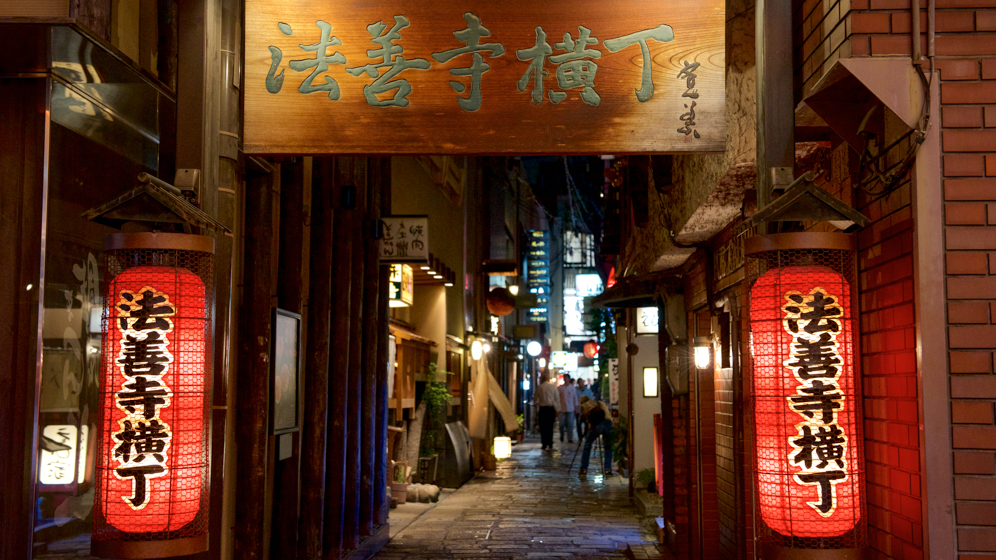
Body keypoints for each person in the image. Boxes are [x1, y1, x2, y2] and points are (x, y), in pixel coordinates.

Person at [577, 396, 614, 477]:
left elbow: (581, 420)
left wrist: (582, 435)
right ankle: (608, 470)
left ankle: (584, 469)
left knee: (587, 445)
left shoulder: (584, 406)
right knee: (608, 447)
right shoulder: (597, 403)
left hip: (596, 426)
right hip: (608, 423)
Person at [535, 372, 560, 450]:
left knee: (543, 427)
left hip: (542, 409)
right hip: (550, 409)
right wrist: (558, 409)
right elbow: (557, 398)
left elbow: (535, 398)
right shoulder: (553, 387)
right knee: (550, 426)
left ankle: (544, 443)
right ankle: (550, 443)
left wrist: (538, 403)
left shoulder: (540, 387)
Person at [558, 375, 579, 444]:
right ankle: (562, 436)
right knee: (561, 424)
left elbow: (575, 398)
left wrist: (576, 407)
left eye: (567, 378)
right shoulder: (560, 388)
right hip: (562, 408)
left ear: (569, 379)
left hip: (570, 409)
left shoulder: (572, 388)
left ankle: (570, 438)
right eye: (564, 378)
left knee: (570, 424)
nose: (565, 379)